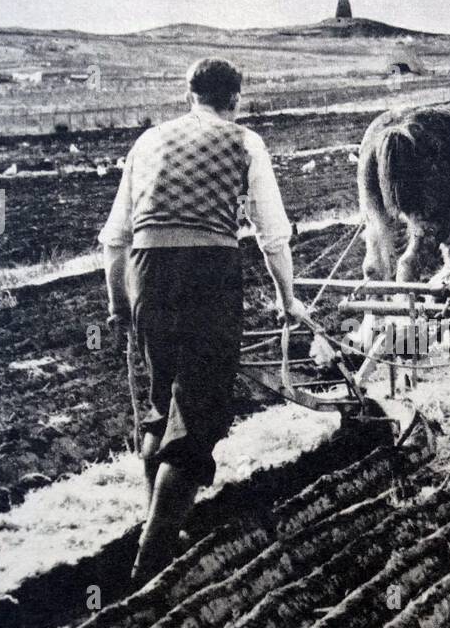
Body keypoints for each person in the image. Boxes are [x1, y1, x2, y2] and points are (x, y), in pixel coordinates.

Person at [99, 57, 311, 585]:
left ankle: (160, 525)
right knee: (198, 411)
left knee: (160, 401)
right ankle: (153, 559)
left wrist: (119, 307)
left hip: (146, 272)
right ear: (235, 97)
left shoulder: (146, 143)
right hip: (208, 274)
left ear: (187, 95)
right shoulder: (245, 143)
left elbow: (114, 239)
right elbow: (272, 235)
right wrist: (289, 299)